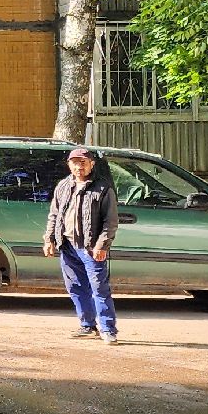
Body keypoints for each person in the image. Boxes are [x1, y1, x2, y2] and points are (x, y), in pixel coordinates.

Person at [43, 146, 120, 344]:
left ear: (91, 164)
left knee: (99, 288)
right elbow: (54, 215)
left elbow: (110, 222)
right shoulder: (63, 186)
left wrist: (102, 246)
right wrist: (49, 239)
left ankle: (108, 329)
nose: (79, 167)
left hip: (91, 248)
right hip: (67, 246)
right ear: (69, 165)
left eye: (83, 163)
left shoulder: (103, 188)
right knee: (76, 287)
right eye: (75, 163)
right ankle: (87, 325)